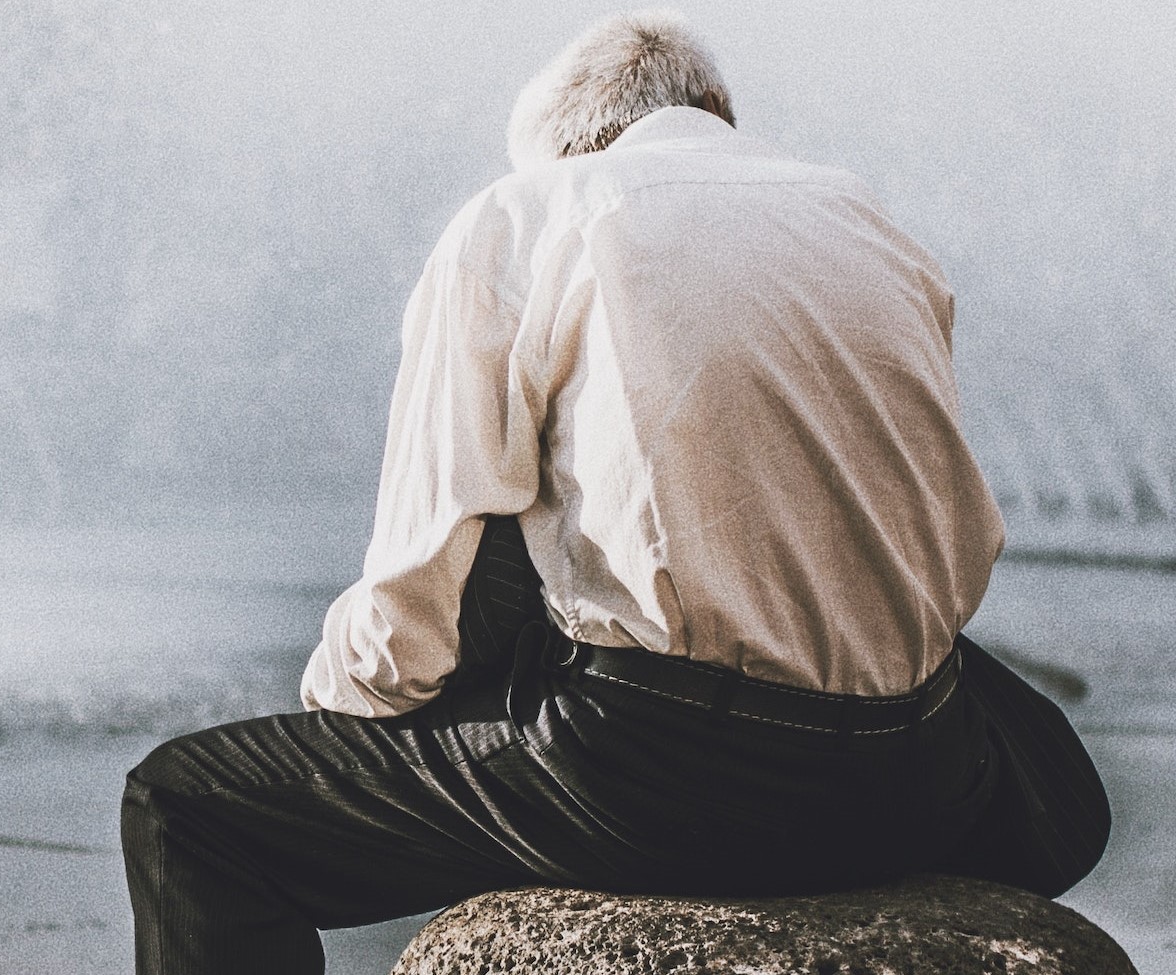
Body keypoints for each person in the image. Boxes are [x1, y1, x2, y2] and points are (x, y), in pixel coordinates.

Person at [121, 12, 1109, 974]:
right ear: (710, 112)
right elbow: (958, 549)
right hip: (915, 773)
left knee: (186, 807)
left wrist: (341, 714)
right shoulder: (868, 220)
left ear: (561, 148)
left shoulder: (525, 213)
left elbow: (416, 602)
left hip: (664, 780)